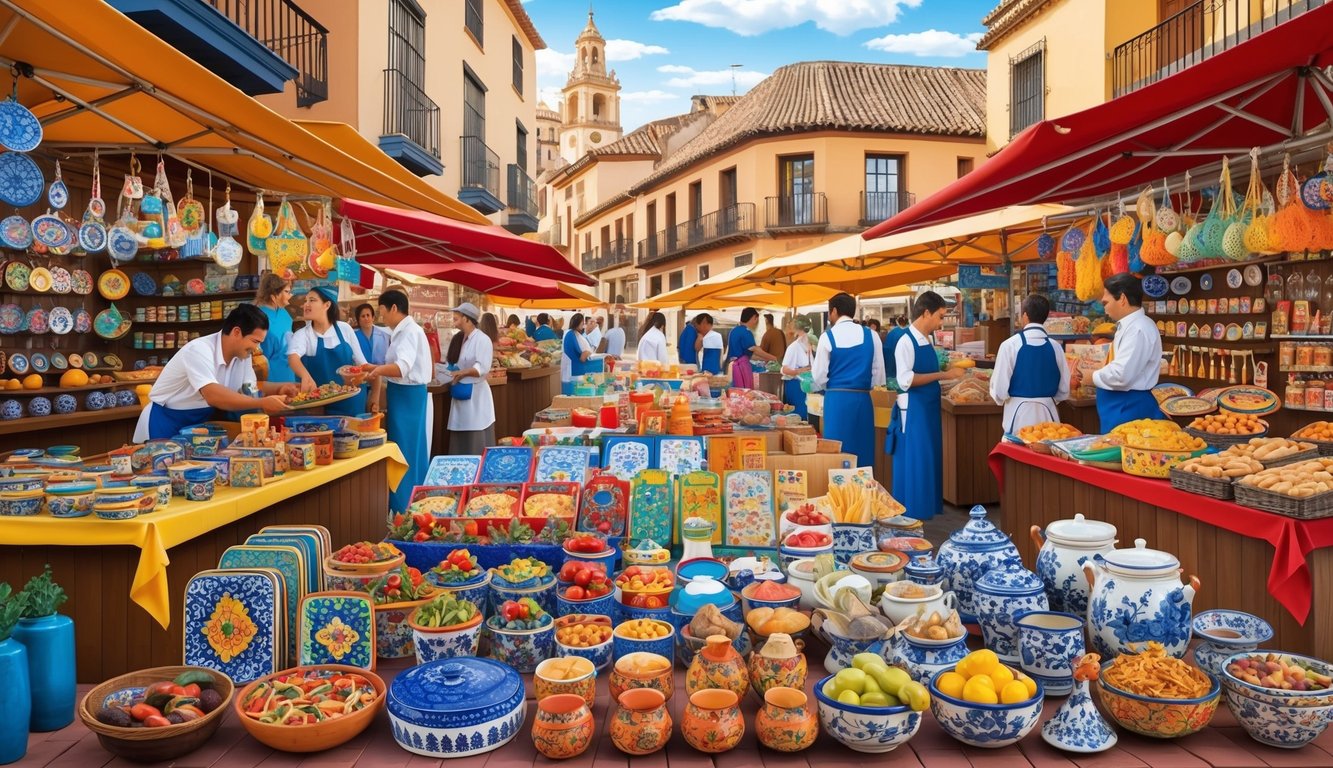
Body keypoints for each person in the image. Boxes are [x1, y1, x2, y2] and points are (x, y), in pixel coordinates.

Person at [133, 305, 297, 441]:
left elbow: (250, 388)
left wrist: (279, 388)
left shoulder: (243, 355)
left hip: (199, 423)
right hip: (166, 421)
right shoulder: (198, 350)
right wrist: (262, 403)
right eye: (255, 342)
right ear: (236, 332)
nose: (257, 348)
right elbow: (213, 395)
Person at [887, 291, 964, 520]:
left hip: (928, 406)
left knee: (928, 456)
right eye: (940, 316)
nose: (941, 322)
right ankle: (912, 512)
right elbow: (905, 379)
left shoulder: (926, 340)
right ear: (926, 312)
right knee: (917, 458)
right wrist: (944, 374)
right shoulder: (905, 341)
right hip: (914, 409)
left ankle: (925, 509)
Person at [366, 289, 433, 513]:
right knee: (412, 448)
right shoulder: (405, 331)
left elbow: (401, 368)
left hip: (407, 395)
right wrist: (372, 368)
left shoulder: (408, 332)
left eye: (382, 312)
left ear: (394, 308)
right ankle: (415, 501)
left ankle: (404, 506)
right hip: (406, 394)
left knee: (404, 450)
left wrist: (376, 371)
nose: (381, 317)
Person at [813, 293, 885, 469]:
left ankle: (839, 494)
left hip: (836, 401)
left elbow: (818, 377)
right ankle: (864, 493)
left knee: (837, 453)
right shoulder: (872, 335)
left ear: (834, 311)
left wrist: (828, 386)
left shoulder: (827, 337)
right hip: (862, 400)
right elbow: (879, 375)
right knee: (863, 451)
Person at [989, 294, 1071, 434]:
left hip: (1018, 415)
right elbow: (1064, 390)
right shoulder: (1056, 347)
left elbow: (999, 391)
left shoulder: (1009, 345)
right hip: (1049, 417)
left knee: (1018, 452)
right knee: (1046, 452)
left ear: (1025, 316)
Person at [1093, 272, 1163, 431]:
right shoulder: (1129, 326)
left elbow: (1121, 374)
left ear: (1122, 299)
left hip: (1129, 408)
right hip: (1120, 407)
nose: (1105, 309)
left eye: (1106, 303)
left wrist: (1092, 376)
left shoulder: (1138, 329)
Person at [287, 285, 369, 417]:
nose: (305, 305)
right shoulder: (303, 335)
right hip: (317, 406)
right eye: (305, 301)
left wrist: (372, 373)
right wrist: (305, 376)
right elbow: (293, 358)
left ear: (327, 305)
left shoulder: (345, 329)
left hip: (350, 403)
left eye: (312, 300)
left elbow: (361, 363)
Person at [446, 302, 496, 455]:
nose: (454, 317)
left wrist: (462, 373)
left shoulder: (482, 339)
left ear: (467, 319)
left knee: (476, 437)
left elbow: (482, 368)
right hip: (460, 392)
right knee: (459, 437)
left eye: (458, 315)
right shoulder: (460, 338)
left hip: (476, 396)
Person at [253, 273, 295, 384]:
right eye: (286, 292)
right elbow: (258, 355)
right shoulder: (258, 317)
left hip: (289, 371)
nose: (290, 295)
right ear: (273, 296)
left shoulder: (284, 313)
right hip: (270, 375)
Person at [726, 307, 777, 388]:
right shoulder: (746, 331)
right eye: (757, 319)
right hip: (741, 368)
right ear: (754, 318)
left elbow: (750, 355)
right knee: (744, 393)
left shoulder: (734, 330)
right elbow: (755, 350)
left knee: (736, 393)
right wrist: (774, 358)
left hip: (733, 367)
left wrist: (765, 359)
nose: (756, 323)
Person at [781, 327, 813, 419]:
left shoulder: (808, 348)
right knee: (798, 415)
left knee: (806, 413)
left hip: (806, 385)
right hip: (795, 385)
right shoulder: (793, 347)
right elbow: (784, 369)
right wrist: (799, 371)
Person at [560, 311, 593, 394]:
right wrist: (586, 353)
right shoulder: (571, 335)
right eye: (583, 323)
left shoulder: (572, 334)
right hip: (573, 373)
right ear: (578, 322)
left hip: (574, 372)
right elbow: (582, 356)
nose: (584, 325)